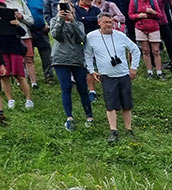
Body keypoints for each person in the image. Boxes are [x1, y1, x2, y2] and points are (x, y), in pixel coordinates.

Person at [84, 12, 139, 142]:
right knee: (110, 104)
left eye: (110, 22)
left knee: (127, 104)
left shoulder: (120, 35)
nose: (108, 25)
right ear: (99, 23)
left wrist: (134, 68)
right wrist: (92, 71)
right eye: (105, 22)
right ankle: (113, 131)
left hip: (123, 74)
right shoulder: (91, 37)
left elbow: (135, 50)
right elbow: (87, 55)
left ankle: (128, 129)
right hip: (107, 76)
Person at [50, 1, 94, 130]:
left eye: (66, 8)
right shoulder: (54, 21)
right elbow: (55, 35)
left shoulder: (79, 23)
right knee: (66, 87)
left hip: (77, 59)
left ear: (72, 9)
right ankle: (69, 118)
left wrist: (72, 21)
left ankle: (89, 117)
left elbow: (81, 38)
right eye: (60, 9)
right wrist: (60, 19)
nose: (64, 11)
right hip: (60, 59)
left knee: (82, 88)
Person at [0, 0, 34, 112]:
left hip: (15, 49)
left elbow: (23, 33)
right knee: (4, 76)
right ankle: (10, 99)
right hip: (2, 51)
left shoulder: (12, 21)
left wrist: (17, 24)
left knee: (19, 75)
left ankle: (28, 99)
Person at [127, 0, 164, 79]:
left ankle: (159, 72)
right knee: (145, 50)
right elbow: (130, 15)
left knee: (156, 50)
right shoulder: (134, 2)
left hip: (154, 27)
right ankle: (149, 72)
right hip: (140, 27)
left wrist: (153, 12)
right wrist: (138, 16)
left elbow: (161, 15)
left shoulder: (153, 1)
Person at [26, 0, 52, 85]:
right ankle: (30, 78)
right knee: (28, 56)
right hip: (28, 31)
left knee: (46, 55)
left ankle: (49, 76)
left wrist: (48, 25)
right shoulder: (22, 1)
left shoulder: (42, 1)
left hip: (41, 30)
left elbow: (48, 12)